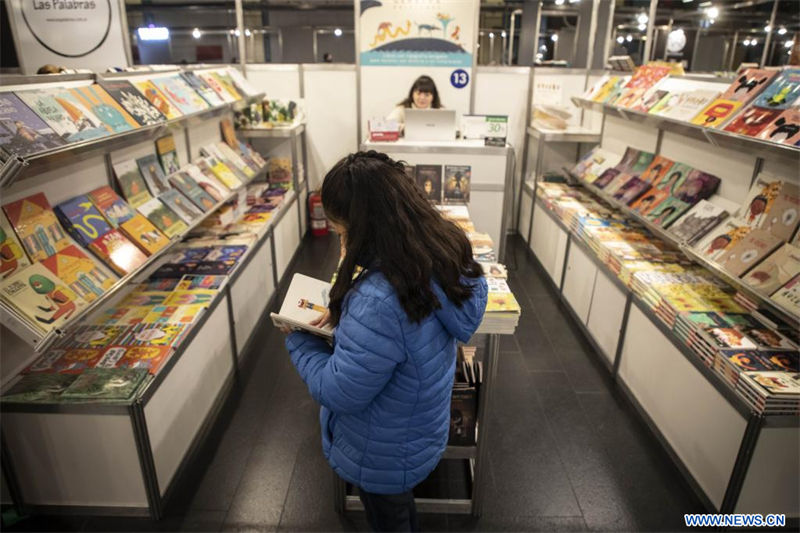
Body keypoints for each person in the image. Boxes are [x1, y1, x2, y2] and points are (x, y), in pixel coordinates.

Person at [282, 151, 488, 532]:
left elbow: (340, 391)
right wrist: (349, 320)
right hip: (416, 426)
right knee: (398, 509)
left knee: (388, 517)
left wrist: (300, 340)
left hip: (382, 448)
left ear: (366, 227)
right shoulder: (438, 252)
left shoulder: (378, 298)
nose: (342, 245)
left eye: (343, 233)